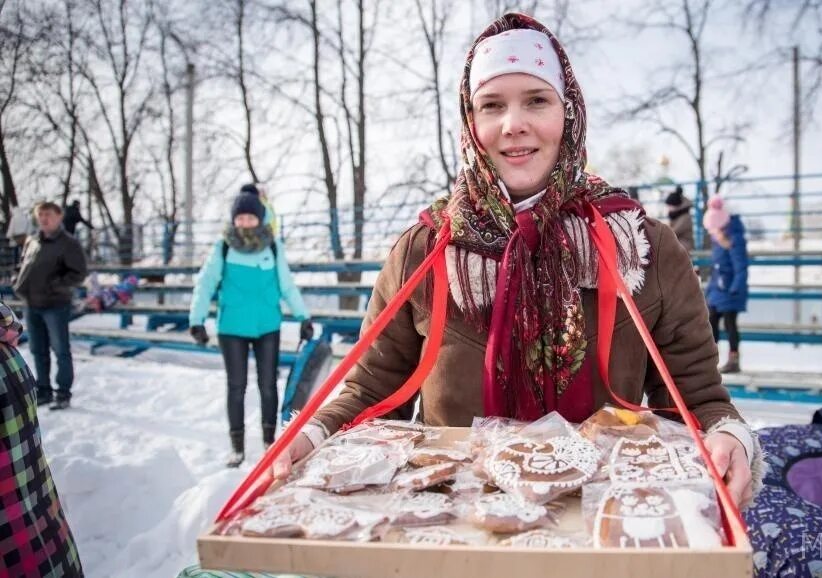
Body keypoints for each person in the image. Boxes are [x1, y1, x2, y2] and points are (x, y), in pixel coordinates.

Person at [272, 13, 763, 509]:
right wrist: (311, 435)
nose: (514, 125)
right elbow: (372, 390)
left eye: (537, 100)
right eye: (492, 105)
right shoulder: (424, 252)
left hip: (599, 529)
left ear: (568, 112)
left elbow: (698, 400)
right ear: (471, 121)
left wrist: (729, 440)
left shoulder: (643, 249)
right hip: (451, 531)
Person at [189, 185, 314, 468]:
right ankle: (237, 447)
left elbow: (287, 286)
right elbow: (205, 284)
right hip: (231, 328)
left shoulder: (272, 246)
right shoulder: (223, 247)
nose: (244, 222)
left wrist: (303, 317)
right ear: (234, 220)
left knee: (268, 385)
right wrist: (196, 320)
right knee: (237, 386)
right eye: (240, 217)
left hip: (267, 326)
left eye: (250, 217)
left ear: (260, 218)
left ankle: (271, 443)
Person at [0, 301, 84, 577]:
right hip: (51, 556)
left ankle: (61, 389)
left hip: (19, 556)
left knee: (59, 350)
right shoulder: (6, 346)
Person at [13, 202, 88, 410]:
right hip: (32, 304)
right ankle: (43, 389)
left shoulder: (69, 243)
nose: (44, 218)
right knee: (38, 350)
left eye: (48, 214)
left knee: (61, 349)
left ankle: (63, 392)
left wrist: (55, 284)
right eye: (40, 214)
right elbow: (22, 265)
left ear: (59, 216)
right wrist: (16, 279)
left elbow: (78, 273)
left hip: (55, 304)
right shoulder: (33, 241)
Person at [702, 194, 749, 374]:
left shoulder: (734, 240)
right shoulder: (718, 240)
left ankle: (733, 359)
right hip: (719, 289)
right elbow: (717, 267)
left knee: (730, 323)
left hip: (730, 290)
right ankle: (709, 359)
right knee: (711, 321)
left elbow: (740, 266)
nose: (714, 233)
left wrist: (735, 288)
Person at [665, 185, 695, 253]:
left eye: (670, 205)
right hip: (678, 242)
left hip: (685, 244)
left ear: (676, 205)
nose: (668, 208)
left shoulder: (685, 217)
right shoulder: (676, 215)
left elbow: (673, 232)